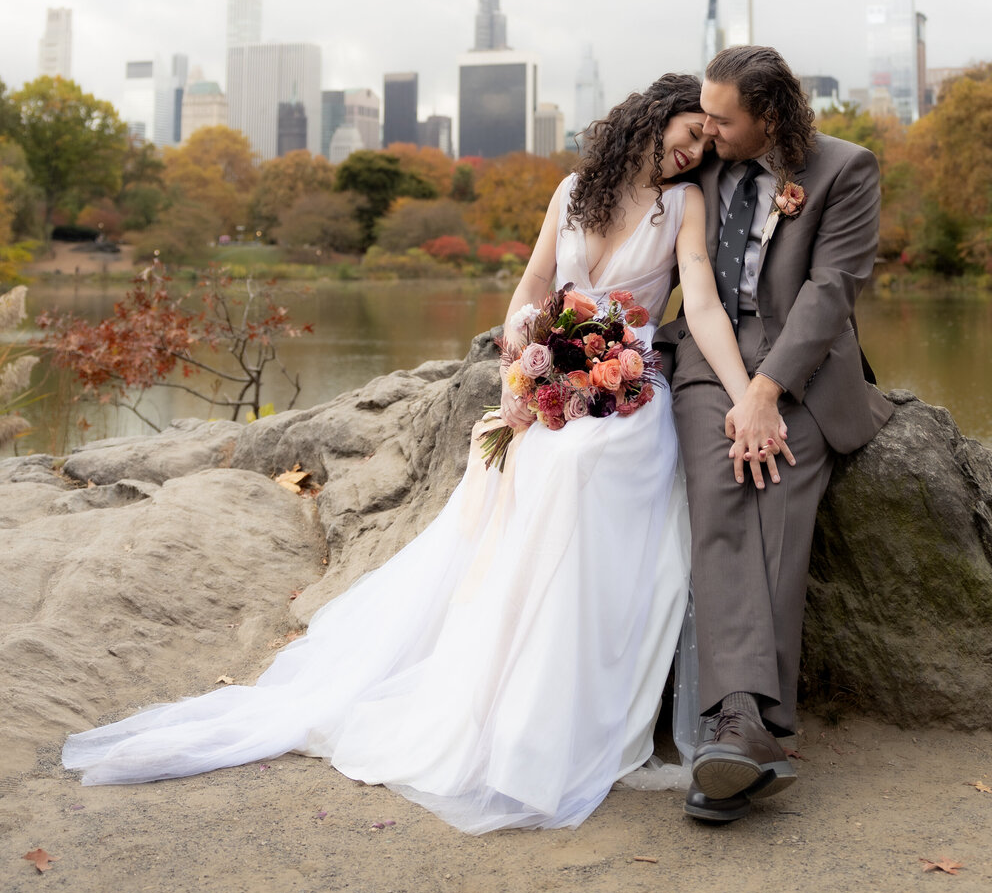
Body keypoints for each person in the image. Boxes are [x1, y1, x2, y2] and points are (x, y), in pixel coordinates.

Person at [63, 73, 785, 834]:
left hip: (626, 382)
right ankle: (493, 675)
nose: (697, 148)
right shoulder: (575, 188)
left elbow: (699, 300)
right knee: (517, 452)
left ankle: (555, 696)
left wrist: (743, 393)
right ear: (653, 120)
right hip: (555, 363)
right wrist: (523, 349)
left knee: (580, 464)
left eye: (709, 139)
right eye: (690, 132)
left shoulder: (687, 204)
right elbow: (538, 278)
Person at [655, 45, 893, 825]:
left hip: (804, 364)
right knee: (721, 497)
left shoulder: (845, 170)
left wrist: (766, 394)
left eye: (723, 119)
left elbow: (832, 292)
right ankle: (747, 724)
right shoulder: (701, 166)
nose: (708, 130)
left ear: (769, 117)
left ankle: (739, 726)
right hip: (708, 354)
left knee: (780, 500)